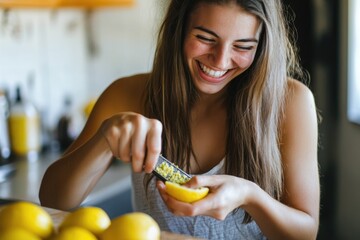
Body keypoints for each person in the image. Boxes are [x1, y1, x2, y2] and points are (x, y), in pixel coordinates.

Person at [39, 0, 320, 239]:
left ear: (261, 48)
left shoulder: (292, 102)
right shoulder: (127, 95)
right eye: (206, 38)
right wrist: (103, 140)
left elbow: (306, 233)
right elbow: (53, 200)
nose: (220, 61)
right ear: (179, 29)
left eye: (242, 46)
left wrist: (250, 195)